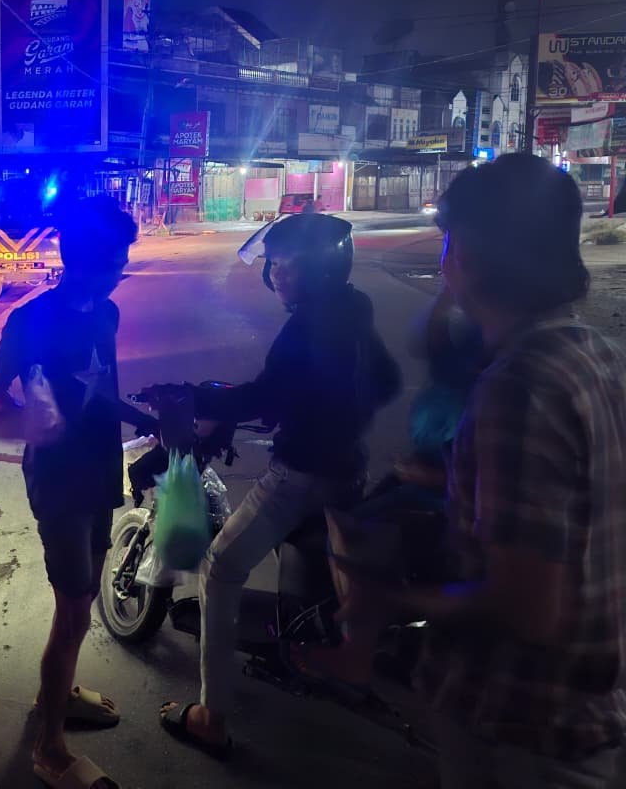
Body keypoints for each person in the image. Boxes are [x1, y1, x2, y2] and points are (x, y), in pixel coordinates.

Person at [339, 154, 626, 789]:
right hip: (582, 709)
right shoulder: (593, 355)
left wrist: (391, 601)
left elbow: (526, 608)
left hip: (517, 726)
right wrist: (451, 482)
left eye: (449, 243)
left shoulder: (518, 386)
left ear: (464, 255)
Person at [147, 213, 401, 756]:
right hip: (349, 467)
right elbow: (386, 381)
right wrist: (334, 412)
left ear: (318, 269)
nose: (276, 274)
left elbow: (264, 396)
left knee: (219, 568)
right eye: (273, 264)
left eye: (286, 265)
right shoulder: (354, 308)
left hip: (302, 474)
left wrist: (191, 394)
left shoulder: (307, 327)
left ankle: (211, 715)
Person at [0, 194, 147, 789]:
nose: (121, 270)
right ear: (86, 260)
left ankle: (58, 690)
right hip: (57, 479)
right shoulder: (30, 322)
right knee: (74, 608)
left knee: (82, 600)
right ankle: (49, 747)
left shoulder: (108, 314)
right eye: (116, 259)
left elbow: (101, 393)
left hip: (101, 468)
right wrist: (29, 416)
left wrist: (148, 419)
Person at [300, 287, 485, 692]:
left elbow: (489, 481)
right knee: (338, 515)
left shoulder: (491, 393)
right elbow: (429, 339)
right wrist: (452, 283)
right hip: (417, 476)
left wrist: (426, 475)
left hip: (442, 495)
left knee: (347, 535)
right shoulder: (454, 369)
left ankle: (356, 650)